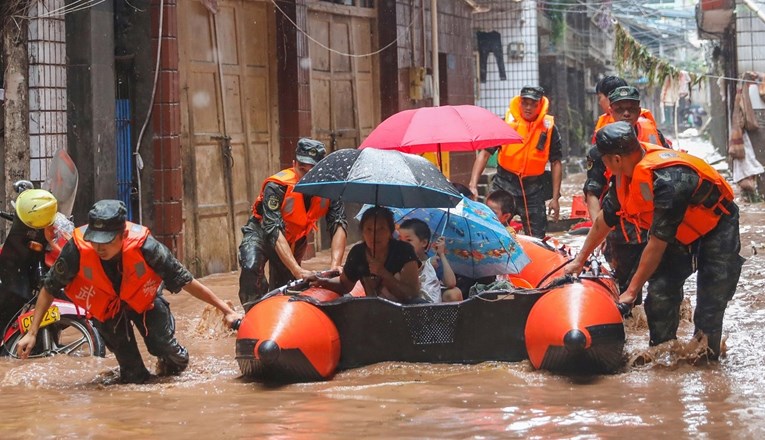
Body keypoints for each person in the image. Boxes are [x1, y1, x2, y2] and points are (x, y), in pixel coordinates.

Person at [565, 122, 744, 358]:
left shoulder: (668, 181)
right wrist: (580, 259)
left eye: (604, 159)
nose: (602, 164)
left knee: (710, 305)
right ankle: (662, 360)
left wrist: (630, 291)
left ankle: (708, 362)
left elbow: (656, 244)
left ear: (617, 159)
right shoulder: (624, 179)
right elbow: (604, 221)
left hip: (717, 228)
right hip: (680, 232)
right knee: (659, 293)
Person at [16, 200, 242, 383]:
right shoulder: (76, 249)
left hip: (144, 301)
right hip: (107, 309)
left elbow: (187, 281)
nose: (99, 247)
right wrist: (33, 332)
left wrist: (225, 310)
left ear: (123, 235)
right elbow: (49, 287)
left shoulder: (147, 247)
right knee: (133, 377)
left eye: (107, 241)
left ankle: (173, 365)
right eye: (95, 240)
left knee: (166, 353)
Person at [583, 86, 672, 297]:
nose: (626, 114)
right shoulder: (600, 149)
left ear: (639, 110)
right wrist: (599, 231)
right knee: (626, 291)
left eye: (631, 109)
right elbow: (592, 192)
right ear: (610, 111)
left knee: (663, 290)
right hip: (620, 232)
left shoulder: (654, 138)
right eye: (620, 109)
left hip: (654, 228)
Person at [238, 138, 347, 310]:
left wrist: (335, 266)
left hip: (294, 240)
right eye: (302, 168)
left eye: (313, 170)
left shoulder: (331, 188)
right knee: (251, 267)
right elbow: (273, 229)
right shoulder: (276, 186)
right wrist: (297, 270)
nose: (307, 175)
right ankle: (252, 314)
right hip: (261, 234)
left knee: (284, 288)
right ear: (294, 163)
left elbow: (338, 224)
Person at [469, 85, 563, 238]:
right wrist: (473, 184)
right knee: (491, 230)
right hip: (504, 185)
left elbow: (556, 163)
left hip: (533, 189)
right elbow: (485, 154)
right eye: (525, 102)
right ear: (519, 102)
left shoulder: (549, 129)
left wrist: (555, 198)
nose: (528, 107)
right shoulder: (505, 123)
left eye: (533, 104)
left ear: (540, 105)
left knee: (537, 237)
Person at [314, 207, 422, 303]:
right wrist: (322, 281)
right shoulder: (358, 253)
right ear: (362, 232)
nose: (374, 235)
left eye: (381, 229)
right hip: (374, 313)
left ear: (390, 232)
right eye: (369, 229)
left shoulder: (404, 251)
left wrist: (383, 273)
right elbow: (344, 285)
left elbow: (411, 295)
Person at [398, 218, 462, 302]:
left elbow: (451, 283)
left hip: (430, 301)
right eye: (400, 240)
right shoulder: (398, 258)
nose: (403, 244)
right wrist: (425, 265)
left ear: (424, 243)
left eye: (408, 240)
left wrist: (442, 254)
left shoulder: (433, 260)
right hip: (408, 301)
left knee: (454, 293)